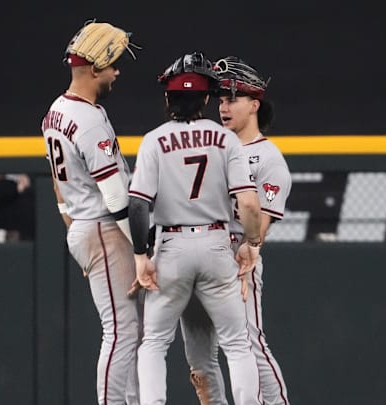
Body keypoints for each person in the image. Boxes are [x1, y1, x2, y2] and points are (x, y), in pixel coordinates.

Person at [128, 51, 263, 405]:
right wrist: (251, 242)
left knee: (154, 343)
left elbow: (139, 204)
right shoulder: (226, 139)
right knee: (237, 344)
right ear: (206, 98)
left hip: (172, 246)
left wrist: (141, 256)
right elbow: (248, 203)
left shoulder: (154, 140)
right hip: (217, 245)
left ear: (168, 98)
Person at [179, 56, 293, 404]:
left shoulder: (268, 157)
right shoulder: (207, 147)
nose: (223, 107)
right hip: (196, 256)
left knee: (248, 344)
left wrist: (251, 247)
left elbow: (261, 225)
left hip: (235, 257)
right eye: (221, 99)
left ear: (254, 103)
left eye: (232, 98)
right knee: (198, 359)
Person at [41, 20, 141, 405]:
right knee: (121, 332)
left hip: (86, 226)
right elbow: (116, 197)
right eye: (113, 64)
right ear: (95, 68)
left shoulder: (55, 112)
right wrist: (142, 250)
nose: (117, 71)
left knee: (131, 331)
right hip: (106, 228)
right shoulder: (88, 118)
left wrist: (70, 226)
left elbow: (56, 181)